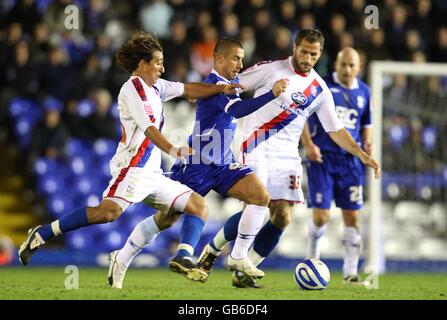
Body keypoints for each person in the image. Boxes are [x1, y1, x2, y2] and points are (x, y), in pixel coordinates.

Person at [18, 32, 242, 283]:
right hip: (133, 169)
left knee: (198, 206)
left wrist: (220, 89)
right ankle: (43, 233)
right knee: (107, 213)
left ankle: (182, 256)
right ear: (143, 64)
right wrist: (173, 150)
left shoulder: (157, 86)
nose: (163, 68)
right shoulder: (132, 89)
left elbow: (188, 88)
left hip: (153, 173)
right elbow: (150, 129)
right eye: (158, 62)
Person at [197, 29, 380, 288]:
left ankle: (243, 270)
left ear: (319, 55)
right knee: (257, 202)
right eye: (303, 51)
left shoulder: (319, 88)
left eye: (313, 54)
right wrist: (203, 91)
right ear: (294, 47)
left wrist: (362, 154)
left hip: (287, 155)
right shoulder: (271, 69)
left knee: (282, 216)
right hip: (256, 146)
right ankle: (218, 252)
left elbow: (336, 130)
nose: (307, 58)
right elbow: (231, 83)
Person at [107, 38, 289, 289]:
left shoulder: (229, 85)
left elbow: (244, 84)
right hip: (199, 164)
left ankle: (238, 257)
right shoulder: (213, 85)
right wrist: (272, 94)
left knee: (260, 196)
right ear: (219, 59)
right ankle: (124, 255)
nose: (240, 63)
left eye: (242, 58)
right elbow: (236, 111)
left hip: (224, 164)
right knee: (167, 219)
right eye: (236, 58)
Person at [301, 47, 372, 284]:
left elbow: (366, 123)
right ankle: (312, 260)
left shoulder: (365, 92)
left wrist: (367, 143)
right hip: (322, 158)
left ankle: (350, 272)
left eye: (352, 65)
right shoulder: (321, 86)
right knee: (321, 216)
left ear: (359, 68)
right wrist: (309, 145)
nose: (347, 69)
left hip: (350, 162)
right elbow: (300, 115)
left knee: (352, 215)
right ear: (336, 65)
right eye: (343, 64)